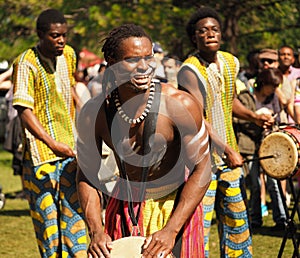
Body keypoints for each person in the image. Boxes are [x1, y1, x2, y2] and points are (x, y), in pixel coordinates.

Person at [76, 23, 211, 258]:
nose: (144, 67)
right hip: (123, 207)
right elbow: (86, 174)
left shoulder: (180, 105)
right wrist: (96, 230)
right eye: (132, 60)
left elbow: (203, 167)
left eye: (148, 58)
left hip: (174, 209)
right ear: (111, 61)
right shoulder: (94, 113)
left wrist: (171, 230)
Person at [178, 7, 274, 257]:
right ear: (194, 38)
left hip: (229, 159)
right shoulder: (189, 70)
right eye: (203, 31)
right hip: (201, 161)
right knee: (201, 223)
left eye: (214, 29)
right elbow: (197, 119)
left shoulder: (231, 62)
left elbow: (229, 102)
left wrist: (254, 116)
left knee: (236, 221)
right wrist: (228, 149)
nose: (210, 33)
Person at [12, 9, 87, 257]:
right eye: (55, 36)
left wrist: (87, 115)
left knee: (75, 224)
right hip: (40, 158)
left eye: (64, 35)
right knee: (49, 230)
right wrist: (52, 143)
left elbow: (72, 89)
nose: (61, 41)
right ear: (40, 34)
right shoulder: (25, 63)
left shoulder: (69, 55)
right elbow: (24, 110)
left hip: (71, 152)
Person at [234, 68, 285, 229]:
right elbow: (237, 119)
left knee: (274, 184)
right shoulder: (245, 97)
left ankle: (281, 219)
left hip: (268, 145)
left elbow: (279, 116)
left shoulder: (274, 98)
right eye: (272, 85)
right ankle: (255, 219)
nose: (274, 89)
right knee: (254, 184)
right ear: (264, 83)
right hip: (248, 145)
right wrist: (256, 119)